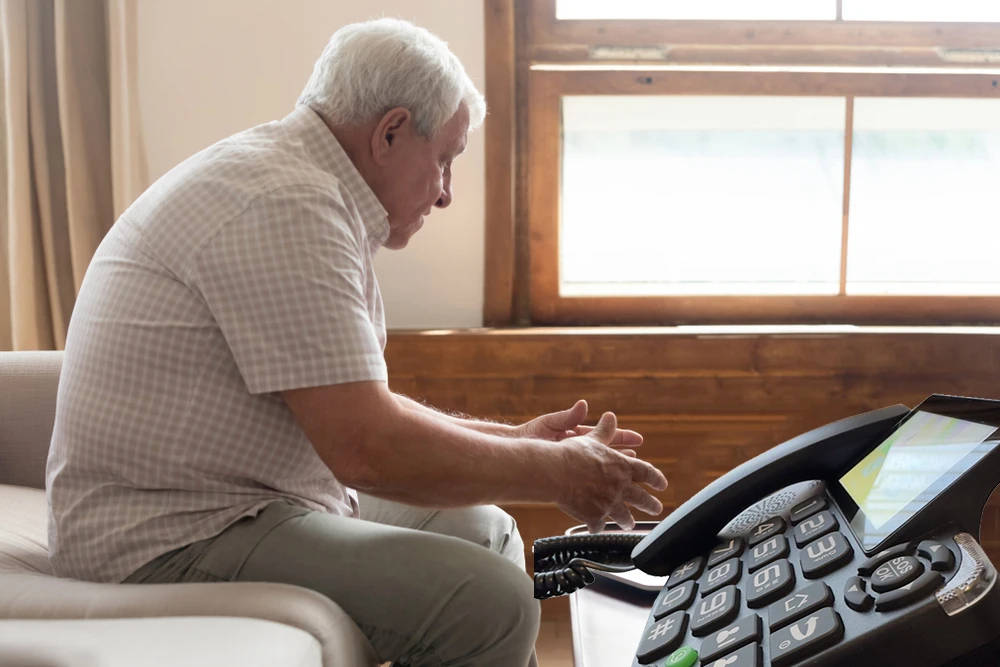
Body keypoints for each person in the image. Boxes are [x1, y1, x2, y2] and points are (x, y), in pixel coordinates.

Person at [45, 17, 667, 667]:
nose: (447, 191)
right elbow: (367, 449)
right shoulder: (287, 206)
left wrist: (518, 441)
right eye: (446, 159)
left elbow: (365, 408)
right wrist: (558, 471)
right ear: (390, 132)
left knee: (486, 531)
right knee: (494, 601)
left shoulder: (296, 183)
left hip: (236, 495)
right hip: (165, 537)